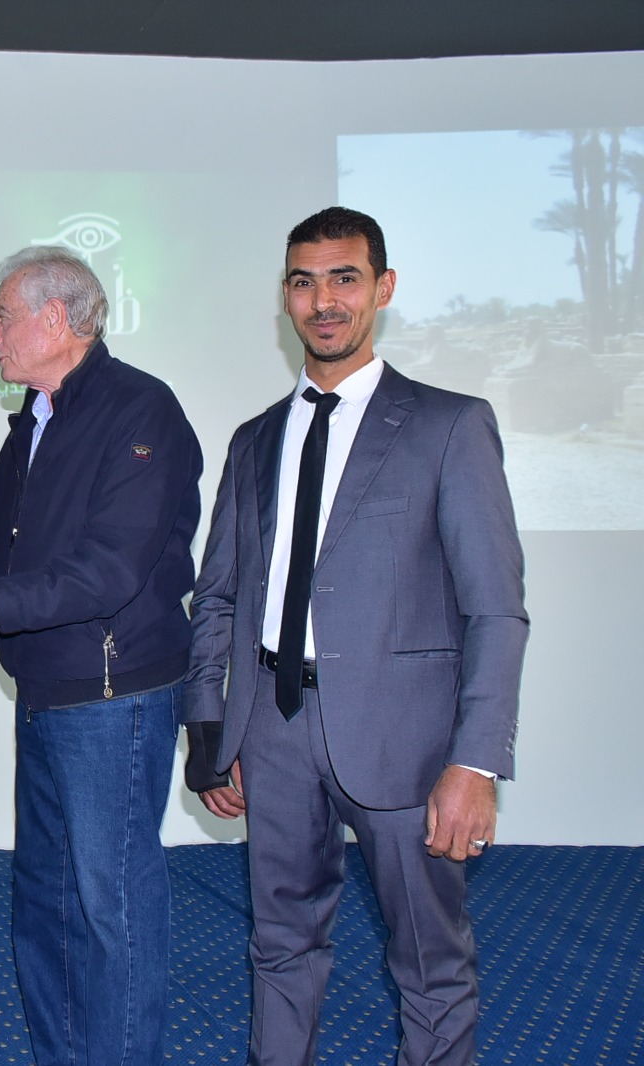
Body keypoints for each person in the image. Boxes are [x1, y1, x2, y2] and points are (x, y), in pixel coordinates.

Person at [181, 207, 528, 1065]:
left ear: (383, 287)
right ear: (285, 297)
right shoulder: (255, 439)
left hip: (407, 743)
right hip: (271, 731)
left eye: (344, 278)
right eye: (304, 282)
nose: (324, 301)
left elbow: (495, 609)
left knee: (430, 959)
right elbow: (217, 595)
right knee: (279, 944)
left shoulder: (450, 425)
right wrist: (210, 729)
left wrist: (476, 763)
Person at [0, 245, 202, 1066]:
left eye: (2, 317)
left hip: (114, 700)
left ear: (57, 320)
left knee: (111, 909)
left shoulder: (141, 411)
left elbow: (108, 571)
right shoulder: (35, 417)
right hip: (47, 691)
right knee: (46, 906)